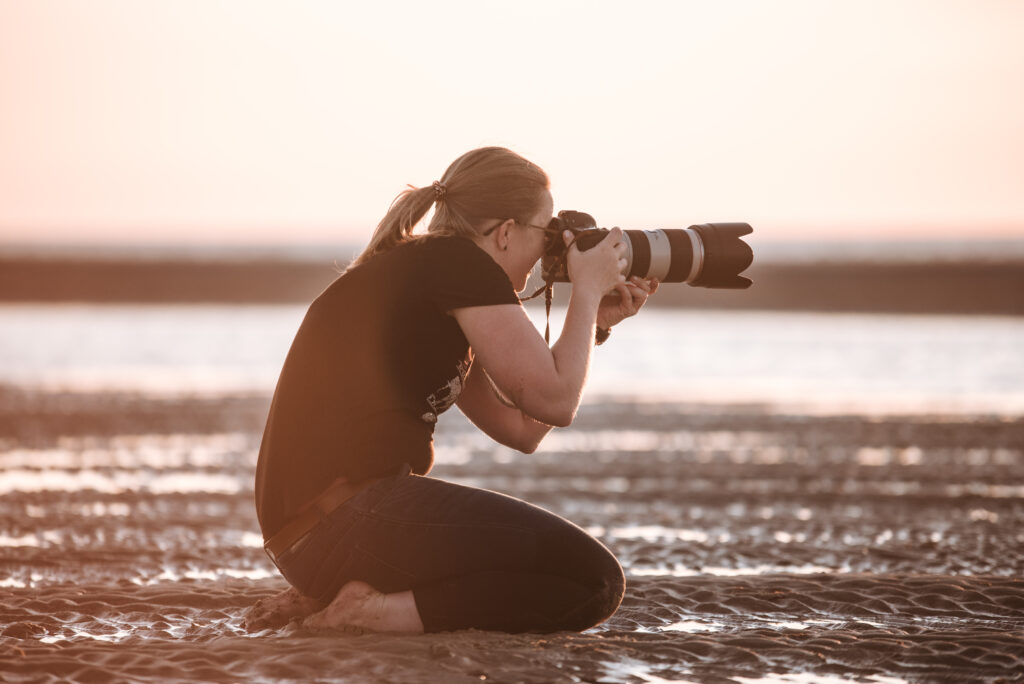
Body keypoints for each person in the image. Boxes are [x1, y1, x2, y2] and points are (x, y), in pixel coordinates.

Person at [244, 146, 658, 634]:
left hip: (315, 534)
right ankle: (366, 613)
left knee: (549, 564)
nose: (550, 251)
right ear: (506, 232)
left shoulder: (430, 273)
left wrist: (593, 325)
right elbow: (555, 402)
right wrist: (586, 292)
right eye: (546, 232)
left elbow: (523, 429)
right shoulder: (458, 266)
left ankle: (347, 593)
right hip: (344, 521)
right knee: (595, 580)